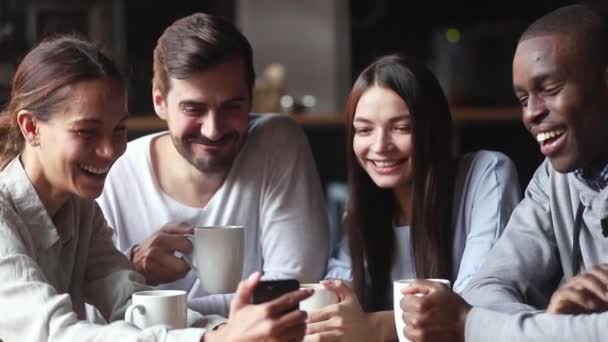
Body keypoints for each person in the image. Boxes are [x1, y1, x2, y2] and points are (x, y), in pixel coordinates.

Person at [0, 34, 314, 342]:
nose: (111, 151)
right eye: (87, 132)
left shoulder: (81, 211)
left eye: (119, 129)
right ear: (30, 127)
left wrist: (226, 331)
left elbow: (133, 303)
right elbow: (56, 334)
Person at [398, 4, 608, 342]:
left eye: (550, 89)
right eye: (523, 99)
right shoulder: (552, 179)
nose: (532, 114)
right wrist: (551, 327)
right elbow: (487, 287)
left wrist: (477, 326)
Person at [96, 12, 329, 316]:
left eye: (232, 106)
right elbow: (92, 312)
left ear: (251, 98)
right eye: (194, 108)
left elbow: (293, 290)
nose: (213, 129)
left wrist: (153, 308)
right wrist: (133, 266)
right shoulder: (117, 170)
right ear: (159, 101)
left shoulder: (277, 142)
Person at [303, 53, 522, 341]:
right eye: (364, 130)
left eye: (401, 128)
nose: (380, 146)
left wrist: (375, 326)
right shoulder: (366, 207)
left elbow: (477, 305)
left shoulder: (487, 173)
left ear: (431, 128)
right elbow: (339, 290)